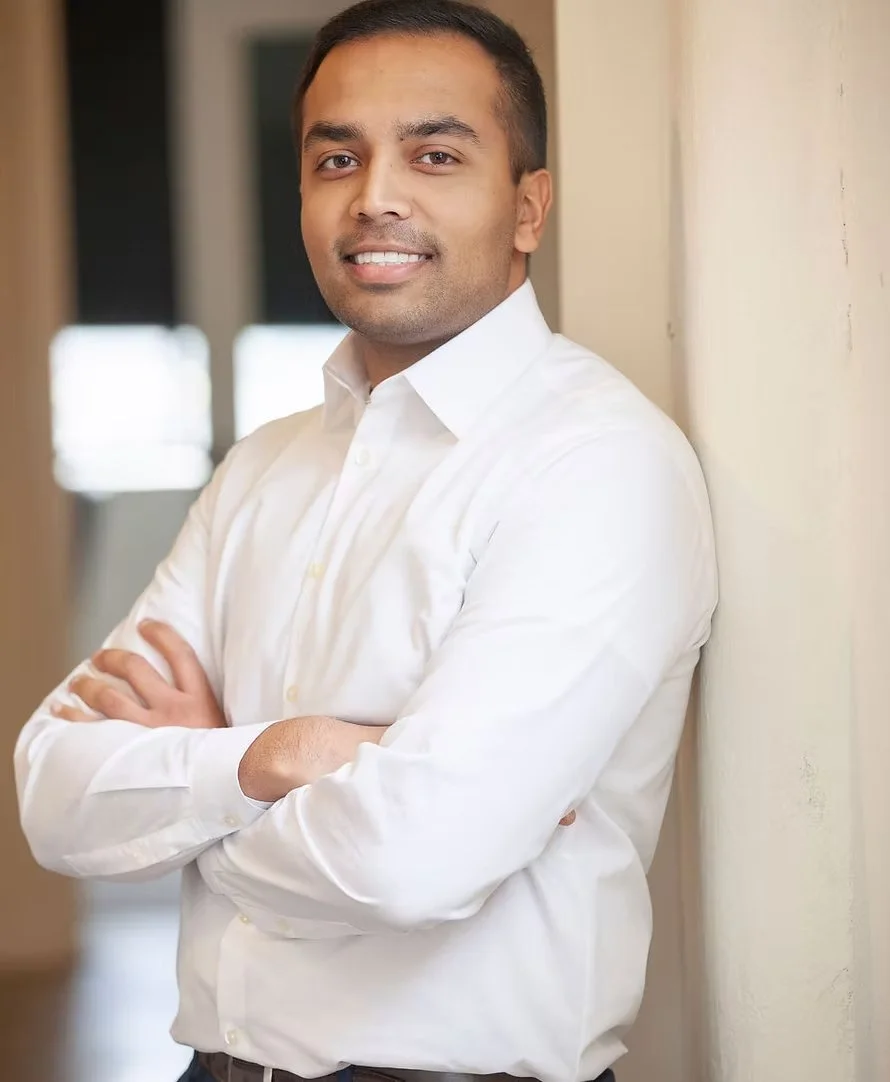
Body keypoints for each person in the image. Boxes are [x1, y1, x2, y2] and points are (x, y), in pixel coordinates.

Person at [15, 2, 717, 1081]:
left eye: (434, 153)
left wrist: (192, 798)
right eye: (335, 156)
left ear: (527, 206)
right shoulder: (263, 467)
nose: (375, 194)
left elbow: (412, 856)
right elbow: (57, 792)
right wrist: (275, 753)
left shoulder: (595, 463)